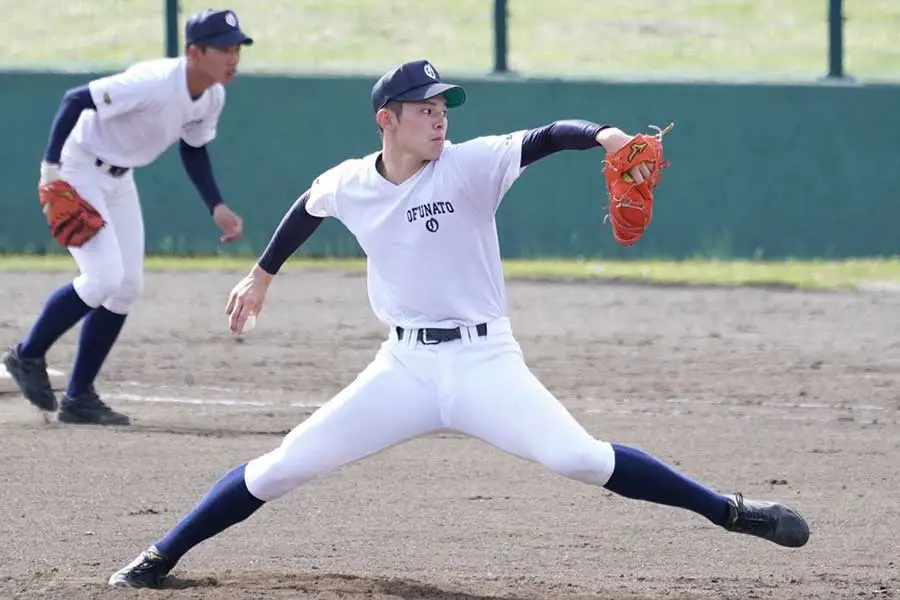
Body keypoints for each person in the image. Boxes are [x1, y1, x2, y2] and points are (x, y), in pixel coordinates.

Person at [108, 59, 809, 588]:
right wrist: (262, 274)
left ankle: (730, 511)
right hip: (403, 369)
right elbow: (309, 207)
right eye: (425, 108)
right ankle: (160, 554)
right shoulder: (351, 181)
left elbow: (547, 137)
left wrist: (607, 136)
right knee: (282, 467)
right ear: (386, 119)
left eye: (444, 106)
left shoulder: (470, 165)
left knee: (581, 458)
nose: (440, 118)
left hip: (484, 363)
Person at [2, 9, 253, 426]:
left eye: (237, 49)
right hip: (79, 168)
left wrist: (216, 205)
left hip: (120, 178)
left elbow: (193, 147)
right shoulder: (153, 82)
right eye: (224, 49)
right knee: (102, 278)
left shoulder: (212, 96)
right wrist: (50, 171)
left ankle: (79, 397)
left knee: (126, 286)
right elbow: (75, 99)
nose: (233, 58)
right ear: (194, 52)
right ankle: (27, 355)